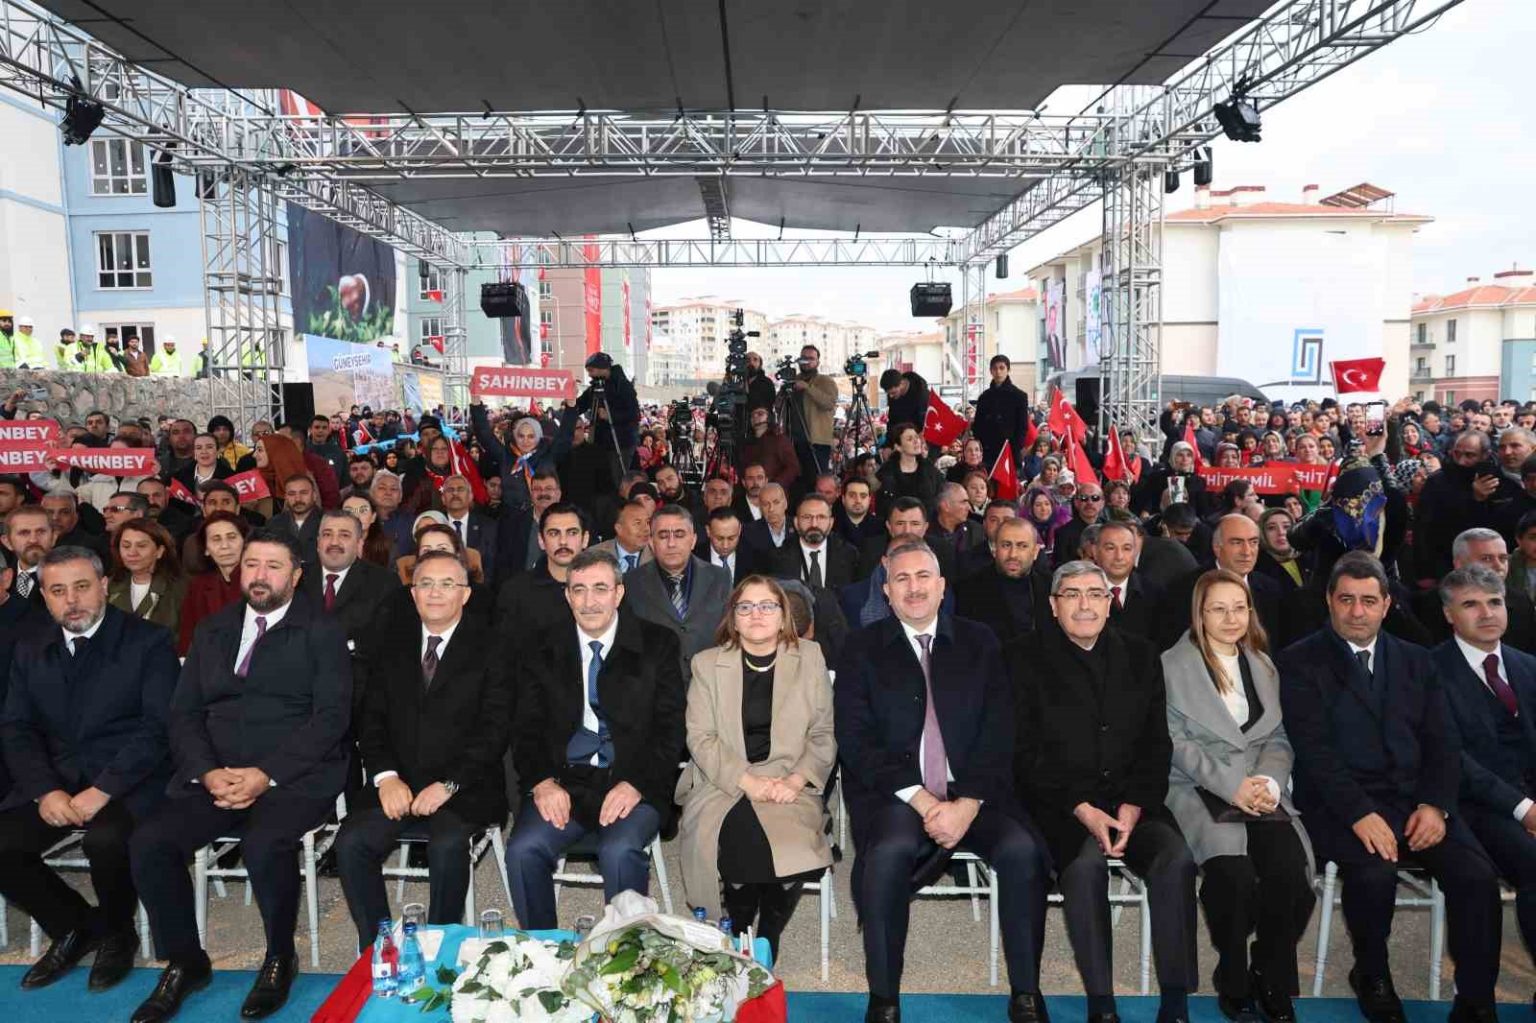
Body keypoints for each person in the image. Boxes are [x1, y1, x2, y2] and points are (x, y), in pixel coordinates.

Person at [130, 530, 352, 1023]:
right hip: (216, 771)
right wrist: (207, 772)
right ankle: (186, 960)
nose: (260, 575)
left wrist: (266, 775)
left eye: (274, 566)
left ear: (296, 575)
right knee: (149, 842)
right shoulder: (213, 629)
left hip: (295, 773)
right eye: (252, 564)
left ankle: (279, 956)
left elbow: (332, 718)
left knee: (263, 843)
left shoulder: (321, 631)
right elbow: (184, 713)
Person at [1278, 552, 1502, 1023]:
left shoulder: (1417, 660)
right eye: (1346, 600)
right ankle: (1372, 973)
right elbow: (1315, 753)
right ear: (1329, 601)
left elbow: (1444, 742)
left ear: (1386, 604)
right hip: (1340, 805)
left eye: (1368, 601)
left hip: (1416, 802)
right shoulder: (1299, 662)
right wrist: (1359, 813)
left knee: (1476, 876)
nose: (1357, 612)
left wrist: (1436, 805)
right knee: (1374, 873)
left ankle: (1477, 998)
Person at [836, 540, 1051, 1023]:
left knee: (1022, 851)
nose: (913, 588)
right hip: (898, 794)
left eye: (923, 577)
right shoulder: (861, 648)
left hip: (976, 792)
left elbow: (1000, 730)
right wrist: (923, 801)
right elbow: (855, 739)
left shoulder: (980, 641)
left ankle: (1026, 992)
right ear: (886, 591)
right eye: (902, 579)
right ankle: (884, 998)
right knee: (887, 853)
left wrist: (967, 803)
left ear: (942, 586)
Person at [1010, 559, 1198, 1023]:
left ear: (1109, 603)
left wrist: (1135, 804)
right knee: (1084, 869)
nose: (1084, 605)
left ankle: (1176, 1002)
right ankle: (1102, 1005)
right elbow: (1023, 752)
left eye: (1095, 594)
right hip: (1061, 804)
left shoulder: (1142, 654)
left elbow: (1157, 743)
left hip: (1134, 801)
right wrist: (1081, 807)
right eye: (1071, 595)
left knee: (1176, 860)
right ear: (1053, 605)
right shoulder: (1021, 657)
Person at [0, 547, 178, 992]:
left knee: (106, 840)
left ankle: (119, 933)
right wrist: (45, 790)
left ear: (103, 586)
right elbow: (17, 727)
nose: (71, 600)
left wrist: (102, 790)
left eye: (81, 587)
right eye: (58, 591)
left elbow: (158, 730)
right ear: (44, 596)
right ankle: (76, 926)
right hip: (58, 778)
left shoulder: (148, 641)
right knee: (3, 844)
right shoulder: (31, 646)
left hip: (132, 778)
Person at [336, 551, 514, 950]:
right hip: (398, 779)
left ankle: (439, 945)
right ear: (413, 593)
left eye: (447, 584)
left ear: (465, 594)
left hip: (466, 785)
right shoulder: (390, 643)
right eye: (426, 584)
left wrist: (449, 784)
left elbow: (495, 730)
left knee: (447, 845)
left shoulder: (493, 645)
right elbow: (371, 719)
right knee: (351, 842)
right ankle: (380, 947)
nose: (435, 593)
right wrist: (386, 778)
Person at [1162, 570, 1315, 1022]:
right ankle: (1232, 976)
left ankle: (1267, 970)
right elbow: (1173, 740)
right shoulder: (1172, 665)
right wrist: (1231, 786)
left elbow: (1278, 737)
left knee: (1291, 875)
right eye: (1218, 609)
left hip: (1260, 790)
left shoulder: (1263, 665)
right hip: (1198, 786)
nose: (1231, 618)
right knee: (1233, 878)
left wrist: (1268, 782)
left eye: (1239, 608)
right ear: (1200, 614)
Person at [505, 549, 686, 929]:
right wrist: (542, 782)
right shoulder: (539, 646)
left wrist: (636, 783)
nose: (589, 601)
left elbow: (670, 730)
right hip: (563, 776)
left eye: (600, 589)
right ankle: (542, 946)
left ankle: (624, 951)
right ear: (567, 595)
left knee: (618, 850)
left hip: (633, 776)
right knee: (523, 849)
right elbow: (525, 727)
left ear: (618, 593)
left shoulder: (658, 643)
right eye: (579, 590)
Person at [676, 575, 835, 959]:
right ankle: (742, 931)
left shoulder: (810, 657)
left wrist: (795, 780)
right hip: (723, 782)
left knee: (791, 846)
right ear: (733, 617)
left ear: (783, 616)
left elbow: (823, 733)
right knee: (739, 841)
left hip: (790, 781)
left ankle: (768, 936)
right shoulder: (707, 665)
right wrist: (747, 781)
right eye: (745, 607)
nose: (756, 614)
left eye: (767, 606)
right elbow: (701, 738)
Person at [1432, 564, 1536, 987]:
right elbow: (1450, 757)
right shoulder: (1429, 670)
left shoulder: (1528, 666)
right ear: (1448, 614)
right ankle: (1476, 1002)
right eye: (1471, 604)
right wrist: (1524, 809)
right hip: (1470, 806)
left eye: (1494, 602)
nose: (1487, 613)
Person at [622, 504, 732, 673]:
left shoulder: (720, 578)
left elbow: (729, 636)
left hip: (710, 681)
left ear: (693, 540)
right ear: (651, 542)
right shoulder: (631, 583)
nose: (671, 543)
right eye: (663, 536)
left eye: (679, 535)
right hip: (655, 683)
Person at [1160, 515, 1286, 652]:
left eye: (1253, 542)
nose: (1247, 552)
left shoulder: (1271, 589)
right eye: (1237, 543)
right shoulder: (1186, 590)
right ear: (1217, 548)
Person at [495, 501, 590, 637]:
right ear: (541, 540)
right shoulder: (515, 591)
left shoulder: (604, 589)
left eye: (572, 533)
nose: (563, 541)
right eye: (554, 533)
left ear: (585, 539)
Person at [954, 518, 1050, 644]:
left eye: (1022, 546)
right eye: (1006, 545)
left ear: (1035, 552)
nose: (1013, 554)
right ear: (994, 549)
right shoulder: (968, 589)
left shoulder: (1051, 587)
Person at [107, 518, 186, 636]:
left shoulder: (180, 588)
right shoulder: (110, 586)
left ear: (159, 551)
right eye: (126, 546)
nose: (132, 553)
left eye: (141, 546)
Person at [1092, 519, 1163, 643]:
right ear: (1095, 551)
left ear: (1135, 552)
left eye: (1126, 548)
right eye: (1110, 548)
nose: (1119, 557)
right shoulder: (1078, 595)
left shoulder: (1156, 594)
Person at [771, 494, 858, 590]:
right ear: (796, 523)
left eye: (821, 517)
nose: (814, 524)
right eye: (807, 517)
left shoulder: (849, 555)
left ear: (831, 523)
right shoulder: (778, 559)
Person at [573, 353, 640, 476]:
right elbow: (580, 405)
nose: (589, 375)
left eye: (591, 370)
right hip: (600, 441)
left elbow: (634, 414)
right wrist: (570, 403)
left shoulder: (622, 386)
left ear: (602, 368)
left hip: (620, 442)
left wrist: (610, 416)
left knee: (617, 476)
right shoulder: (595, 387)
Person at [787, 345, 839, 485]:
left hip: (817, 441)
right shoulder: (793, 381)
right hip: (794, 441)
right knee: (797, 482)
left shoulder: (825, 381)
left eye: (811, 358)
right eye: (804, 358)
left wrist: (807, 388)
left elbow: (829, 403)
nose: (807, 362)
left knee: (816, 481)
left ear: (817, 362)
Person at [972, 355, 1033, 472]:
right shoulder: (984, 397)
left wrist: (1015, 447)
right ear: (991, 371)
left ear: (1008, 370)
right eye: (995, 368)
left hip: (1009, 452)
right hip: (987, 453)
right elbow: (978, 426)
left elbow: (1022, 427)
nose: (998, 372)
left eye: (1001, 368)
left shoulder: (1019, 396)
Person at [876, 423, 944, 512]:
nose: (916, 441)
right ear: (898, 447)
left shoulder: (929, 469)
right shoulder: (887, 472)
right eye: (910, 439)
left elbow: (940, 496)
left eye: (917, 437)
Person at [739, 407, 800, 493]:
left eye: (760, 414)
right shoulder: (747, 444)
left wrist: (775, 484)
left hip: (774, 494)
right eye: (752, 415)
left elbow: (793, 467)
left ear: (769, 417)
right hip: (751, 493)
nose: (755, 417)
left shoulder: (779, 439)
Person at [5, 505, 56, 606]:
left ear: (54, 537)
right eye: (24, 533)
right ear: (7, 542)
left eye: (41, 532)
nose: (33, 540)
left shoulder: (70, 578)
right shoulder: (3, 578)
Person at [268, 474, 321, 567]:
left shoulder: (328, 521)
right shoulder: (274, 523)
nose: (298, 499)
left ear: (314, 495)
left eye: (303, 493)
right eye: (292, 494)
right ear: (286, 497)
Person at [591, 498, 653, 573]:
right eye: (638, 523)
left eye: (647, 522)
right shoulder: (594, 556)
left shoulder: (657, 555)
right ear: (619, 529)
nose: (646, 529)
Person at [878, 368, 930, 449]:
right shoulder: (893, 395)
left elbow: (925, 422)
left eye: (893, 393)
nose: (891, 396)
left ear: (902, 383)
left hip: (920, 440)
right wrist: (888, 445)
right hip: (902, 440)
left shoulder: (921, 394)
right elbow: (892, 421)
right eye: (889, 394)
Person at [699, 507, 747, 584]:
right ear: (708, 531)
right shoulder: (694, 558)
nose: (725, 545)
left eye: (731, 538)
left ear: (739, 530)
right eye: (719, 538)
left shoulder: (755, 558)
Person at [836, 477, 884, 549]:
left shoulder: (881, 528)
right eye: (852, 495)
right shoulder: (832, 527)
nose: (858, 500)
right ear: (843, 499)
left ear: (869, 500)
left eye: (863, 496)